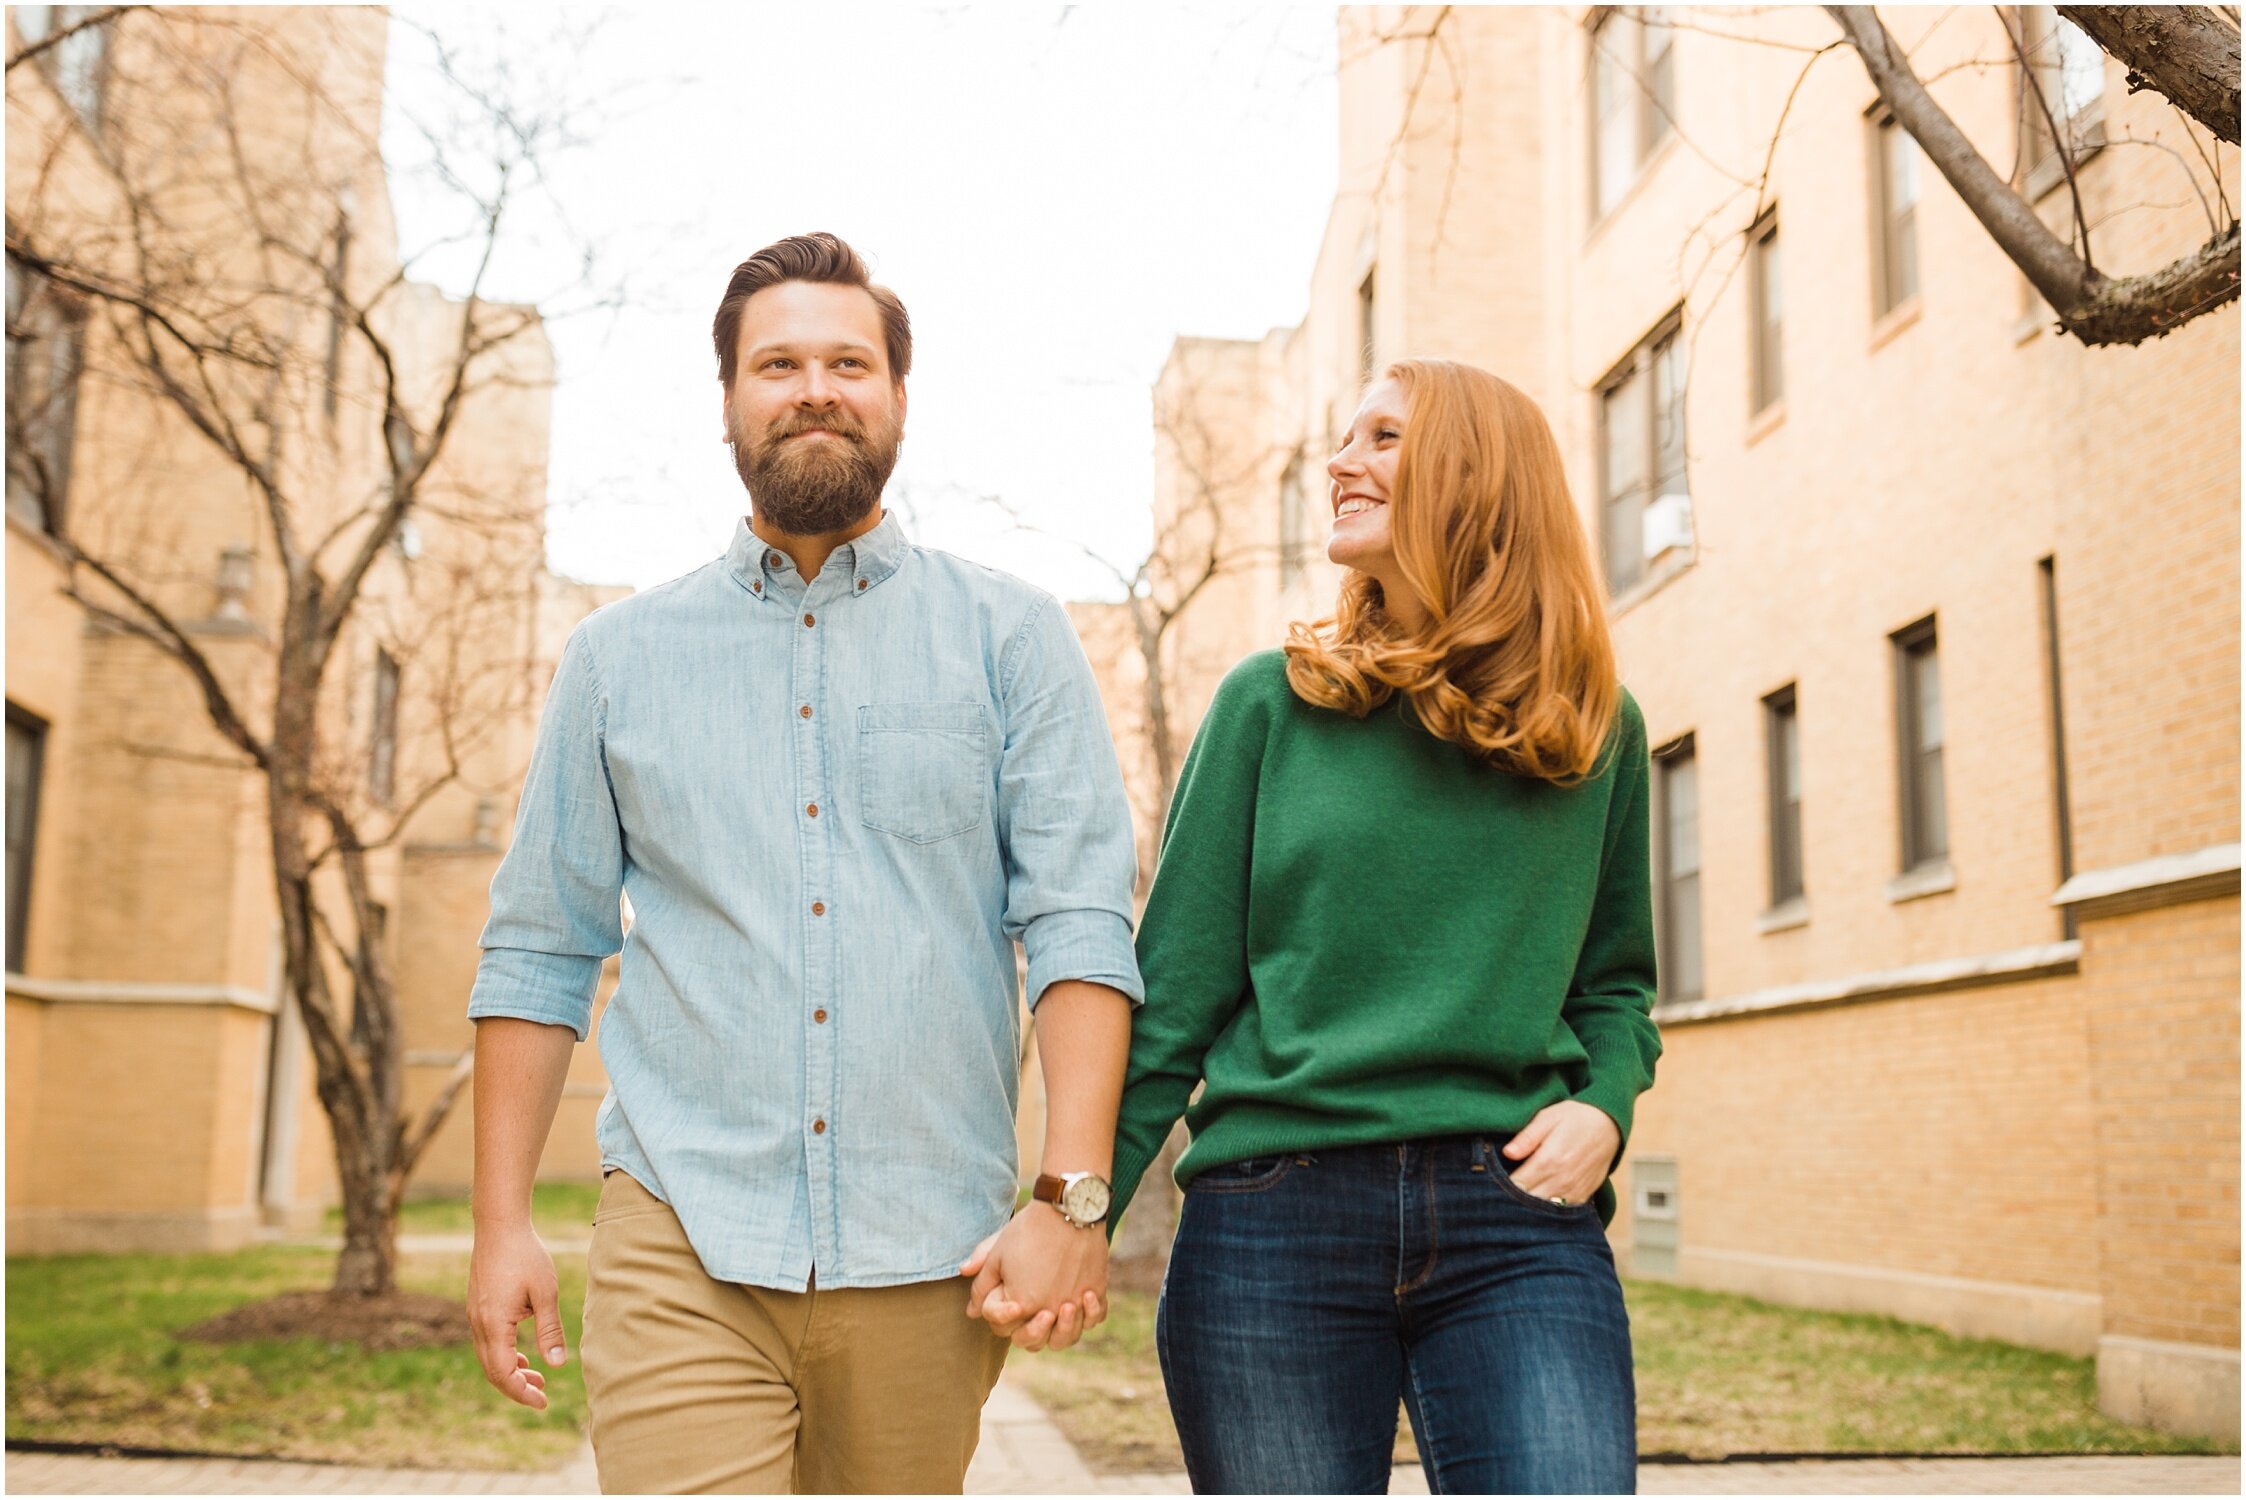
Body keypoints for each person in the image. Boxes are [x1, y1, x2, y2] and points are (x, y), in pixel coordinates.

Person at [464, 232, 1138, 1495]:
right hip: (680, 1231)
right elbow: (541, 945)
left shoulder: (1013, 637)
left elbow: (1080, 926)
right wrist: (502, 1224)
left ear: (896, 400)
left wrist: (1071, 1202)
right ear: (726, 401)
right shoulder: (617, 658)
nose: (815, 387)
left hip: (926, 1250)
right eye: (777, 362)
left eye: (849, 361)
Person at [1109, 358, 1662, 1495]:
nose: (1340, 464)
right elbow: (1172, 993)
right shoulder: (1269, 705)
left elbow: (1613, 986)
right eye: (1342, 437)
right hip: (1273, 1220)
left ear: (1476, 476)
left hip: (1514, 1219)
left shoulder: (1592, 728)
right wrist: (1075, 1214)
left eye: (1382, 439)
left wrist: (1603, 1109)